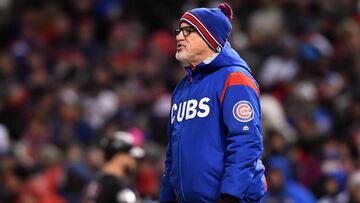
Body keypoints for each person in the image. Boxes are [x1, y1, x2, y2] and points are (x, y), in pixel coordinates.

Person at [159, 3, 267, 203]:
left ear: (210, 37)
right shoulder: (182, 87)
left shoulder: (234, 77)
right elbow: (172, 154)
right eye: (179, 31)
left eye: (188, 31)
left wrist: (231, 195)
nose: (178, 37)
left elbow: (246, 142)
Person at [82, 131, 145, 203]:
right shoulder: (113, 185)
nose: (134, 161)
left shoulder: (98, 180)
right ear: (119, 156)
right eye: (131, 156)